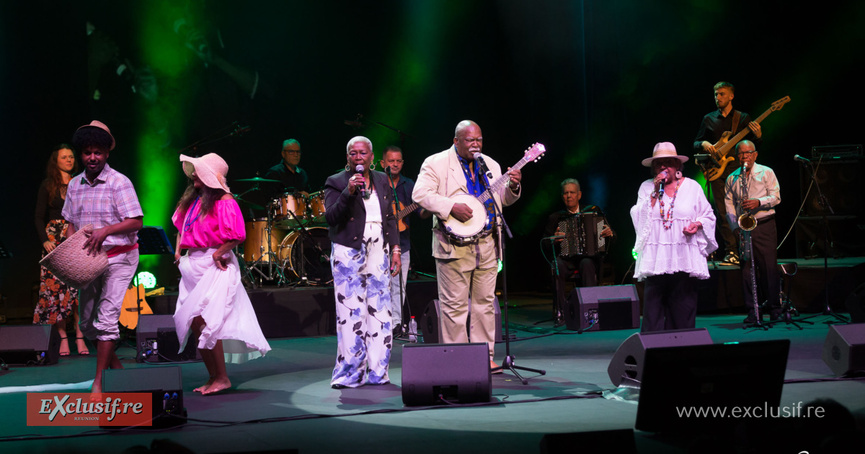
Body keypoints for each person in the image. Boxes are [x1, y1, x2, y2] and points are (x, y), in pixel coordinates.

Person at [412, 120, 521, 371]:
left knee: (485, 304)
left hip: (486, 244)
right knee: (454, 307)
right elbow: (420, 194)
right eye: (470, 140)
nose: (476, 145)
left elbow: (501, 198)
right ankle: (458, 360)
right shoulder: (436, 163)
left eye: (479, 140)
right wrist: (450, 207)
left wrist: (513, 186)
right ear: (456, 141)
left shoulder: (490, 164)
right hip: (452, 246)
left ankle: (484, 357)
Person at [172, 153, 271, 395]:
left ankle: (222, 377)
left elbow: (238, 235)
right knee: (195, 323)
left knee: (208, 322)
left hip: (215, 266)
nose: (194, 178)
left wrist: (218, 253)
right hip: (192, 265)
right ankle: (213, 376)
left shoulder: (225, 201)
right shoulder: (193, 200)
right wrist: (178, 253)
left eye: (198, 174)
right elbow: (180, 228)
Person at [62, 121, 144, 395]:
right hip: (90, 260)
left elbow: (135, 221)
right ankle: (117, 370)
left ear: (107, 153)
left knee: (106, 319)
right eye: (87, 152)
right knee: (86, 323)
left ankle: (99, 381)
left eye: (98, 152)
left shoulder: (119, 182)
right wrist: (72, 247)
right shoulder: (75, 184)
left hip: (120, 257)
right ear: (82, 154)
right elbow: (71, 222)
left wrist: (106, 231)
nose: (93, 157)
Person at [324, 136, 401, 388]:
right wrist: (349, 191)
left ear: (371, 155)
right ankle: (349, 374)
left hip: (379, 248)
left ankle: (379, 372)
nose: (358, 157)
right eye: (353, 153)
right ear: (347, 157)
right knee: (351, 311)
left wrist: (396, 249)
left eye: (363, 153)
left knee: (380, 309)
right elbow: (332, 217)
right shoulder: (336, 182)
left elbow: (391, 216)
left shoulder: (382, 179)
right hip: (348, 250)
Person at [630, 142, 717, 332]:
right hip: (657, 262)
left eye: (668, 162)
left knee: (682, 317)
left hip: (683, 259)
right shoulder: (646, 188)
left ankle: (682, 357)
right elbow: (638, 216)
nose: (663, 167)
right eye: (659, 163)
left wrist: (697, 224)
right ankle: (652, 358)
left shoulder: (692, 187)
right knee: (652, 318)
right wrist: (654, 193)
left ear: (677, 165)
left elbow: (708, 215)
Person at [693, 81, 763, 265]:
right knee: (722, 212)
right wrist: (704, 144)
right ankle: (731, 251)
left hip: (737, 170)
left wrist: (759, 135)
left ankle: (747, 250)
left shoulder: (742, 118)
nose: (718, 98)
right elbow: (695, 143)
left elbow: (755, 147)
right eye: (716, 94)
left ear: (731, 96)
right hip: (716, 172)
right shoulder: (708, 118)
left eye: (722, 94)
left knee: (741, 210)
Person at [33, 144, 88, 356]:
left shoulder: (80, 182)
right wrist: (45, 240)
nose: (69, 160)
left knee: (77, 291)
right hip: (54, 239)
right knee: (56, 291)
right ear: (55, 161)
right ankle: (64, 337)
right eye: (64, 157)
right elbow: (38, 217)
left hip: (76, 236)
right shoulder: (48, 185)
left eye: (71, 157)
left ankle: (80, 336)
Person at [723, 140, 781, 323]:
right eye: (741, 153)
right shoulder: (732, 178)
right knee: (747, 271)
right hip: (744, 228)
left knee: (768, 268)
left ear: (755, 155)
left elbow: (776, 197)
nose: (745, 156)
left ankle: (774, 308)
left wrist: (759, 202)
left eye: (748, 153)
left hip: (764, 225)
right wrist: (735, 229)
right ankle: (753, 311)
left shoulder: (766, 172)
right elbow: (729, 206)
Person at [543, 178, 614, 326]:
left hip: (587, 259)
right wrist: (554, 240)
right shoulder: (556, 218)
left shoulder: (593, 212)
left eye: (572, 192)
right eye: (566, 193)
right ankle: (561, 312)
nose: (569, 196)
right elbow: (545, 244)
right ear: (562, 196)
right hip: (566, 259)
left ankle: (590, 310)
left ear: (579, 195)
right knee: (557, 266)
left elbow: (610, 238)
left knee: (587, 263)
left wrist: (609, 233)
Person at [380, 145, 428, 336]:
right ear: (383, 163)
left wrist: (430, 207)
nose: (395, 164)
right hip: (378, 244)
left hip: (403, 244)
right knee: (380, 284)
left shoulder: (409, 184)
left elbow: (420, 212)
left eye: (398, 161)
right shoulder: (377, 181)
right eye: (391, 161)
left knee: (399, 285)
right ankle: (380, 322)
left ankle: (396, 324)